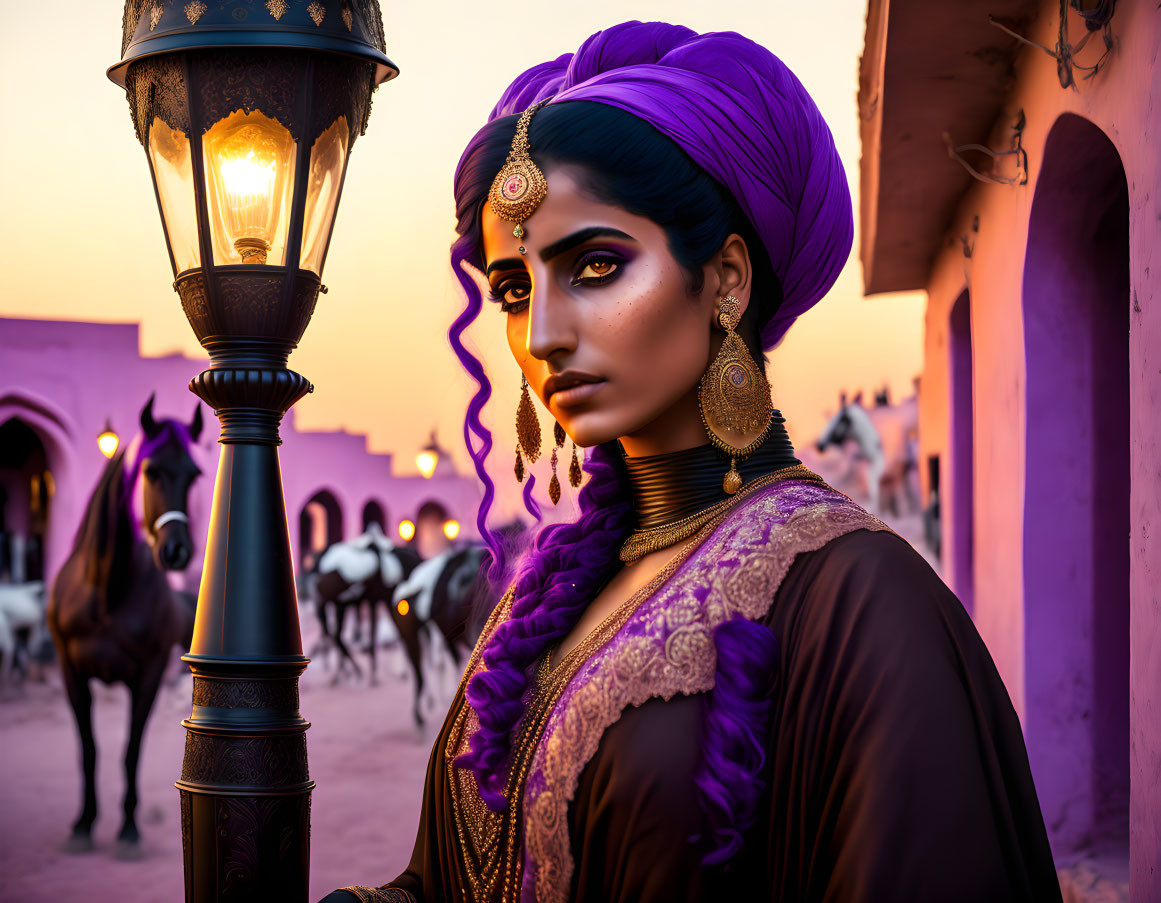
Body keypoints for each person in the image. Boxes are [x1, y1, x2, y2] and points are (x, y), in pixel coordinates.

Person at [325, 21, 1062, 903]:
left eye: (595, 265)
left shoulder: (862, 603)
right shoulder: (549, 593)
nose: (544, 335)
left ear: (725, 279)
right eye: (515, 291)